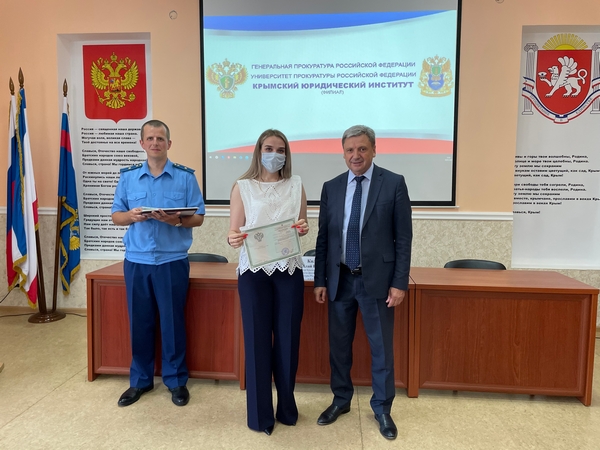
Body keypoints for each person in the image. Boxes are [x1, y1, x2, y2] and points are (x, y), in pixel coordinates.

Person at [313, 125, 412, 440]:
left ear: (373, 150)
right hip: (340, 280)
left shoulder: (393, 183)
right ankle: (341, 399)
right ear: (343, 153)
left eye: (362, 149)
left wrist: (399, 283)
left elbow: (403, 239)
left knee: (381, 349)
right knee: (339, 347)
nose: (356, 155)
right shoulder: (331, 187)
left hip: (378, 283)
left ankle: (382, 408)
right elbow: (324, 238)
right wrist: (320, 280)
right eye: (350, 150)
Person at [111, 119, 205, 407]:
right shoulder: (128, 177)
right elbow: (116, 215)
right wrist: (131, 216)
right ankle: (140, 380)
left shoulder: (185, 177)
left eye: (160, 138)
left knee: (172, 323)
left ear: (169, 144)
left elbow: (198, 218)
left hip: (171, 261)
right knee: (140, 322)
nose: (155, 143)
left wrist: (175, 220)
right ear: (142, 143)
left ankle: (176, 381)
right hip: (137, 261)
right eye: (150, 138)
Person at [228, 129, 309, 435]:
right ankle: (260, 416)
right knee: (257, 342)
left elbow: (302, 224)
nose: (275, 154)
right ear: (258, 151)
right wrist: (233, 238)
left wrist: (303, 228)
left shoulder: (296, 184)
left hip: (288, 269)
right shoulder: (243, 187)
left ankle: (286, 409)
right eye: (269, 148)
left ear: (286, 155)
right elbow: (233, 230)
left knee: (288, 341)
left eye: (280, 150)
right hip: (253, 272)